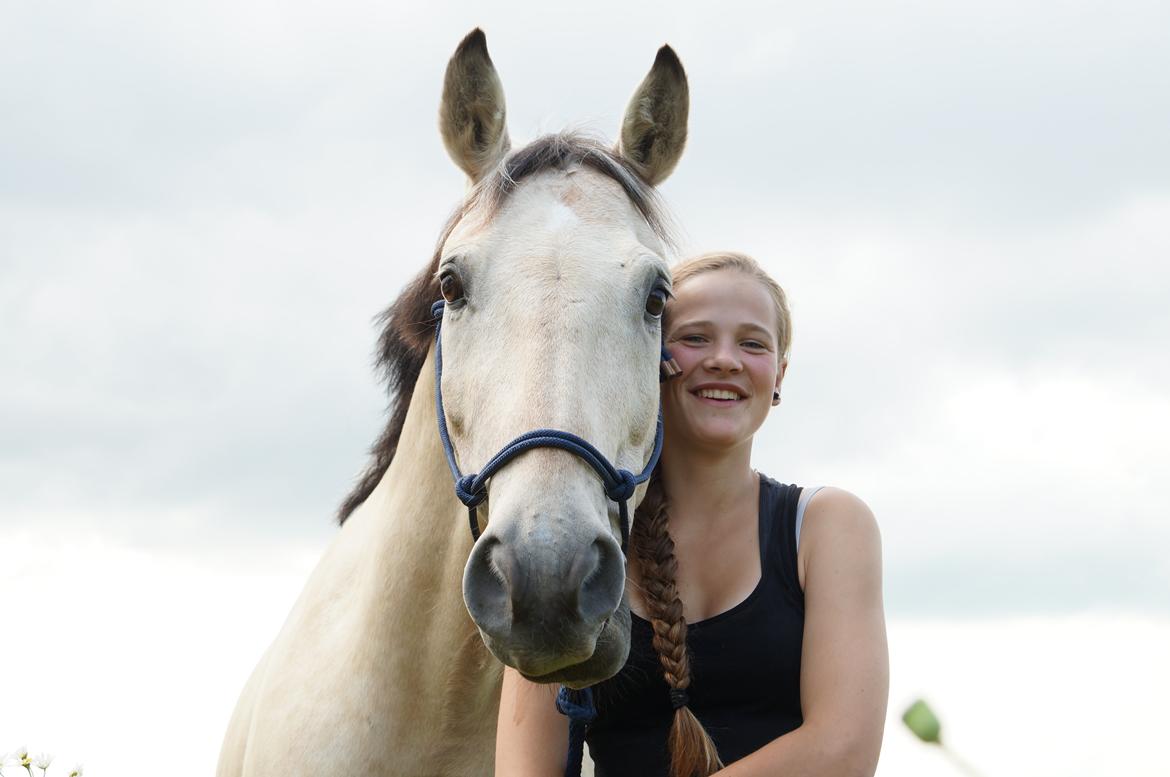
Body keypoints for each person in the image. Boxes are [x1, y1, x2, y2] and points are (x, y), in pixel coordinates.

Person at [495, 252, 889, 777]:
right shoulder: (580, 544)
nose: (725, 359)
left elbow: (843, 749)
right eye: (697, 338)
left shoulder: (827, 526)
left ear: (779, 376)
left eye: (752, 343)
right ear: (648, 361)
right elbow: (525, 769)